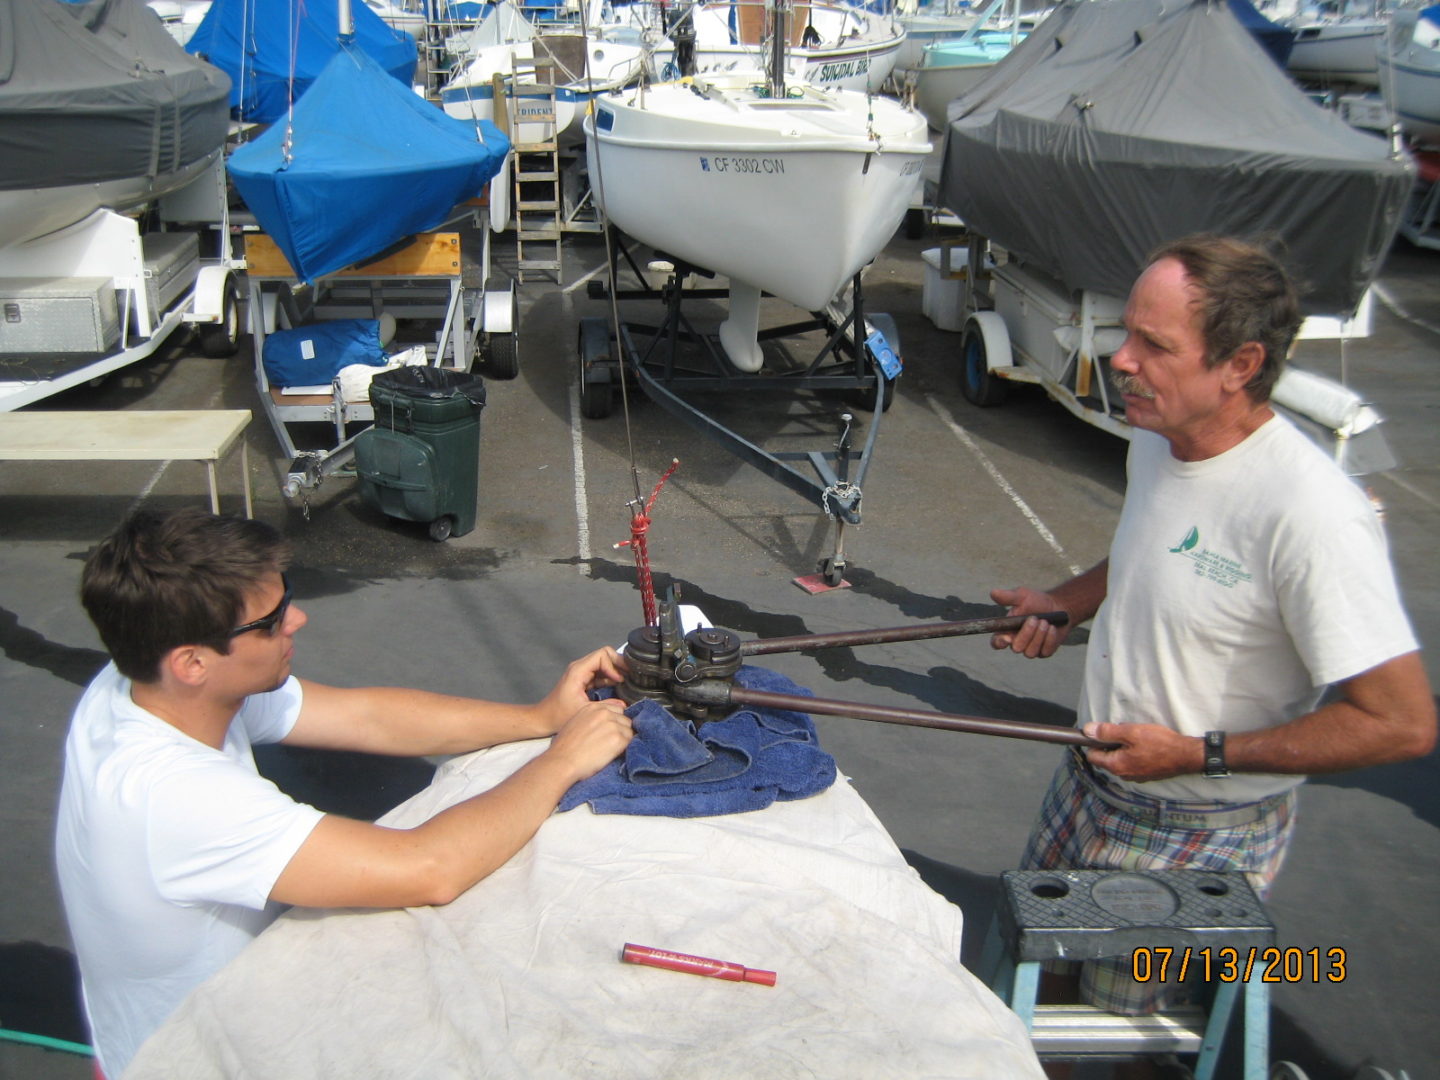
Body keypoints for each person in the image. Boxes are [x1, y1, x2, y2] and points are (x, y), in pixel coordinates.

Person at [989, 235, 1435, 1021]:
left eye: (1154, 344)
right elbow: (1157, 547)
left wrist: (1198, 754)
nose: (1120, 359)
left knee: (1130, 1039)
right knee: (1040, 986)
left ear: (1239, 365)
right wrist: (1069, 600)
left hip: (1199, 820)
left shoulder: (1311, 515)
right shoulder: (1161, 440)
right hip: (1092, 779)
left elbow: (1402, 725)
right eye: (1126, 333)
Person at [55, 507, 635, 1079]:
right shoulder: (173, 798)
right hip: (200, 1054)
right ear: (192, 663)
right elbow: (430, 867)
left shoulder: (140, 683)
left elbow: (366, 719)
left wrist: (540, 717)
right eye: (270, 619)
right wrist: (562, 761)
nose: (297, 619)